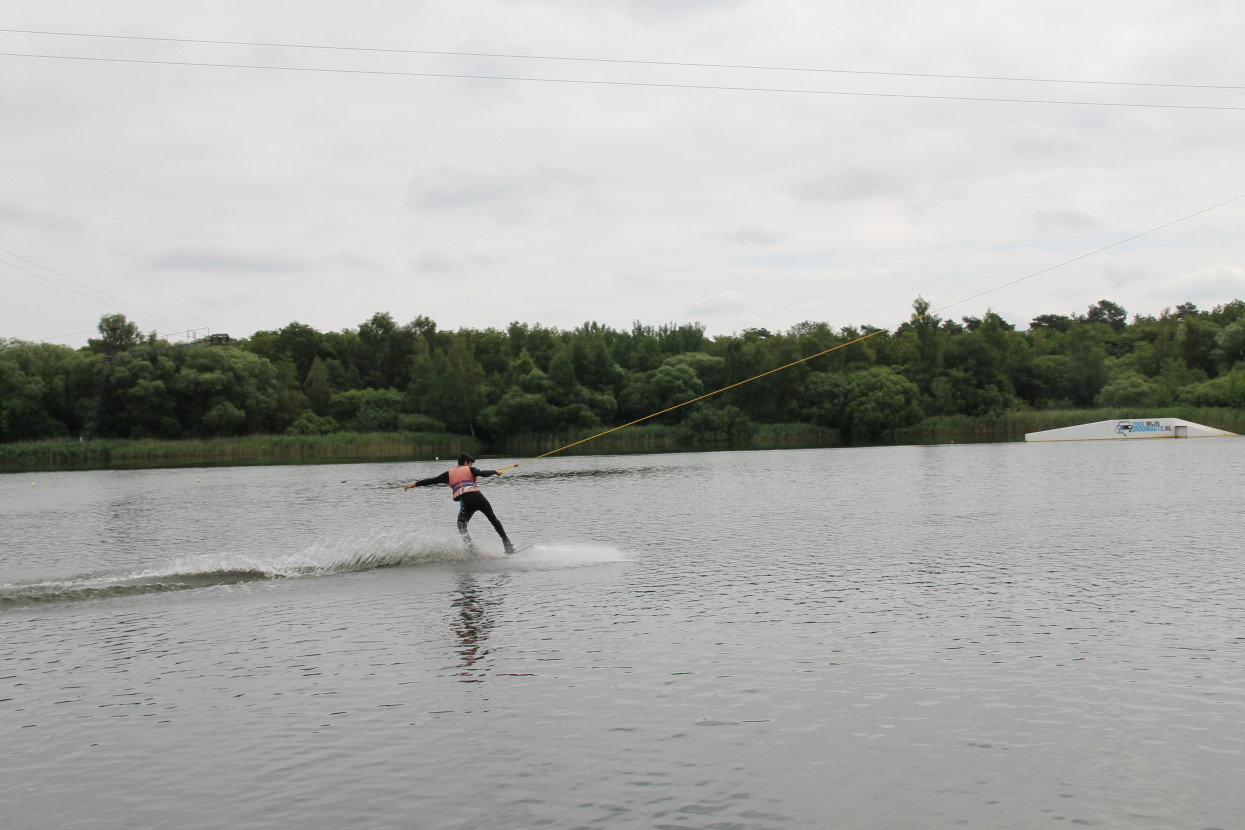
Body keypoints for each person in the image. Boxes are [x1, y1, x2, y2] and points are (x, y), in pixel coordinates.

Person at [404, 454, 515, 555]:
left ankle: (470, 549)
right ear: (466, 463)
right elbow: (482, 473)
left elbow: (431, 481)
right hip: (479, 498)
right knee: (493, 519)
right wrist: (495, 472)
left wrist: (411, 485)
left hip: (467, 501)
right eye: (470, 464)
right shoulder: (470, 469)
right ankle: (508, 545)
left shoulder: (448, 474)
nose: (471, 466)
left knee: (461, 524)